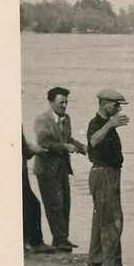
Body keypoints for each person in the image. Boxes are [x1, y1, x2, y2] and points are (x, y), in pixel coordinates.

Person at [33, 86, 87, 251]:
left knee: (65, 204)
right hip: (46, 170)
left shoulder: (66, 118)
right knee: (53, 204)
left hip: (63, 168)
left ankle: (62, 239)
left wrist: (81, 147)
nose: (64, 106)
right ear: (51, 102)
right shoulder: (42, 119)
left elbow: (68, 138)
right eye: (61, 102)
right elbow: (44, 143)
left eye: (66, 102)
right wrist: (65, 147)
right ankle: (60, 239)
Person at [86, 88, 130, 266]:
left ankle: (96, 260)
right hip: (103, 175)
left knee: (101, 218)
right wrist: (110, 125)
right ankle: (111, 265)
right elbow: (93, 141)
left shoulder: (105, 124)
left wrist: (111, 125)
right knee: (113, 219)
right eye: (115, 105)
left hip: (109, 174)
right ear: (104, 104)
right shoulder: (97, 123)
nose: (118, 108)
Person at [22, 129, 54, 254]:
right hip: (18, 171)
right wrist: (36, 150)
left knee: (29, 204)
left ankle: (30, 241)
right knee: (31, 205)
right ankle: (32, 242)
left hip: (19, 170)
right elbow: (25, 150)